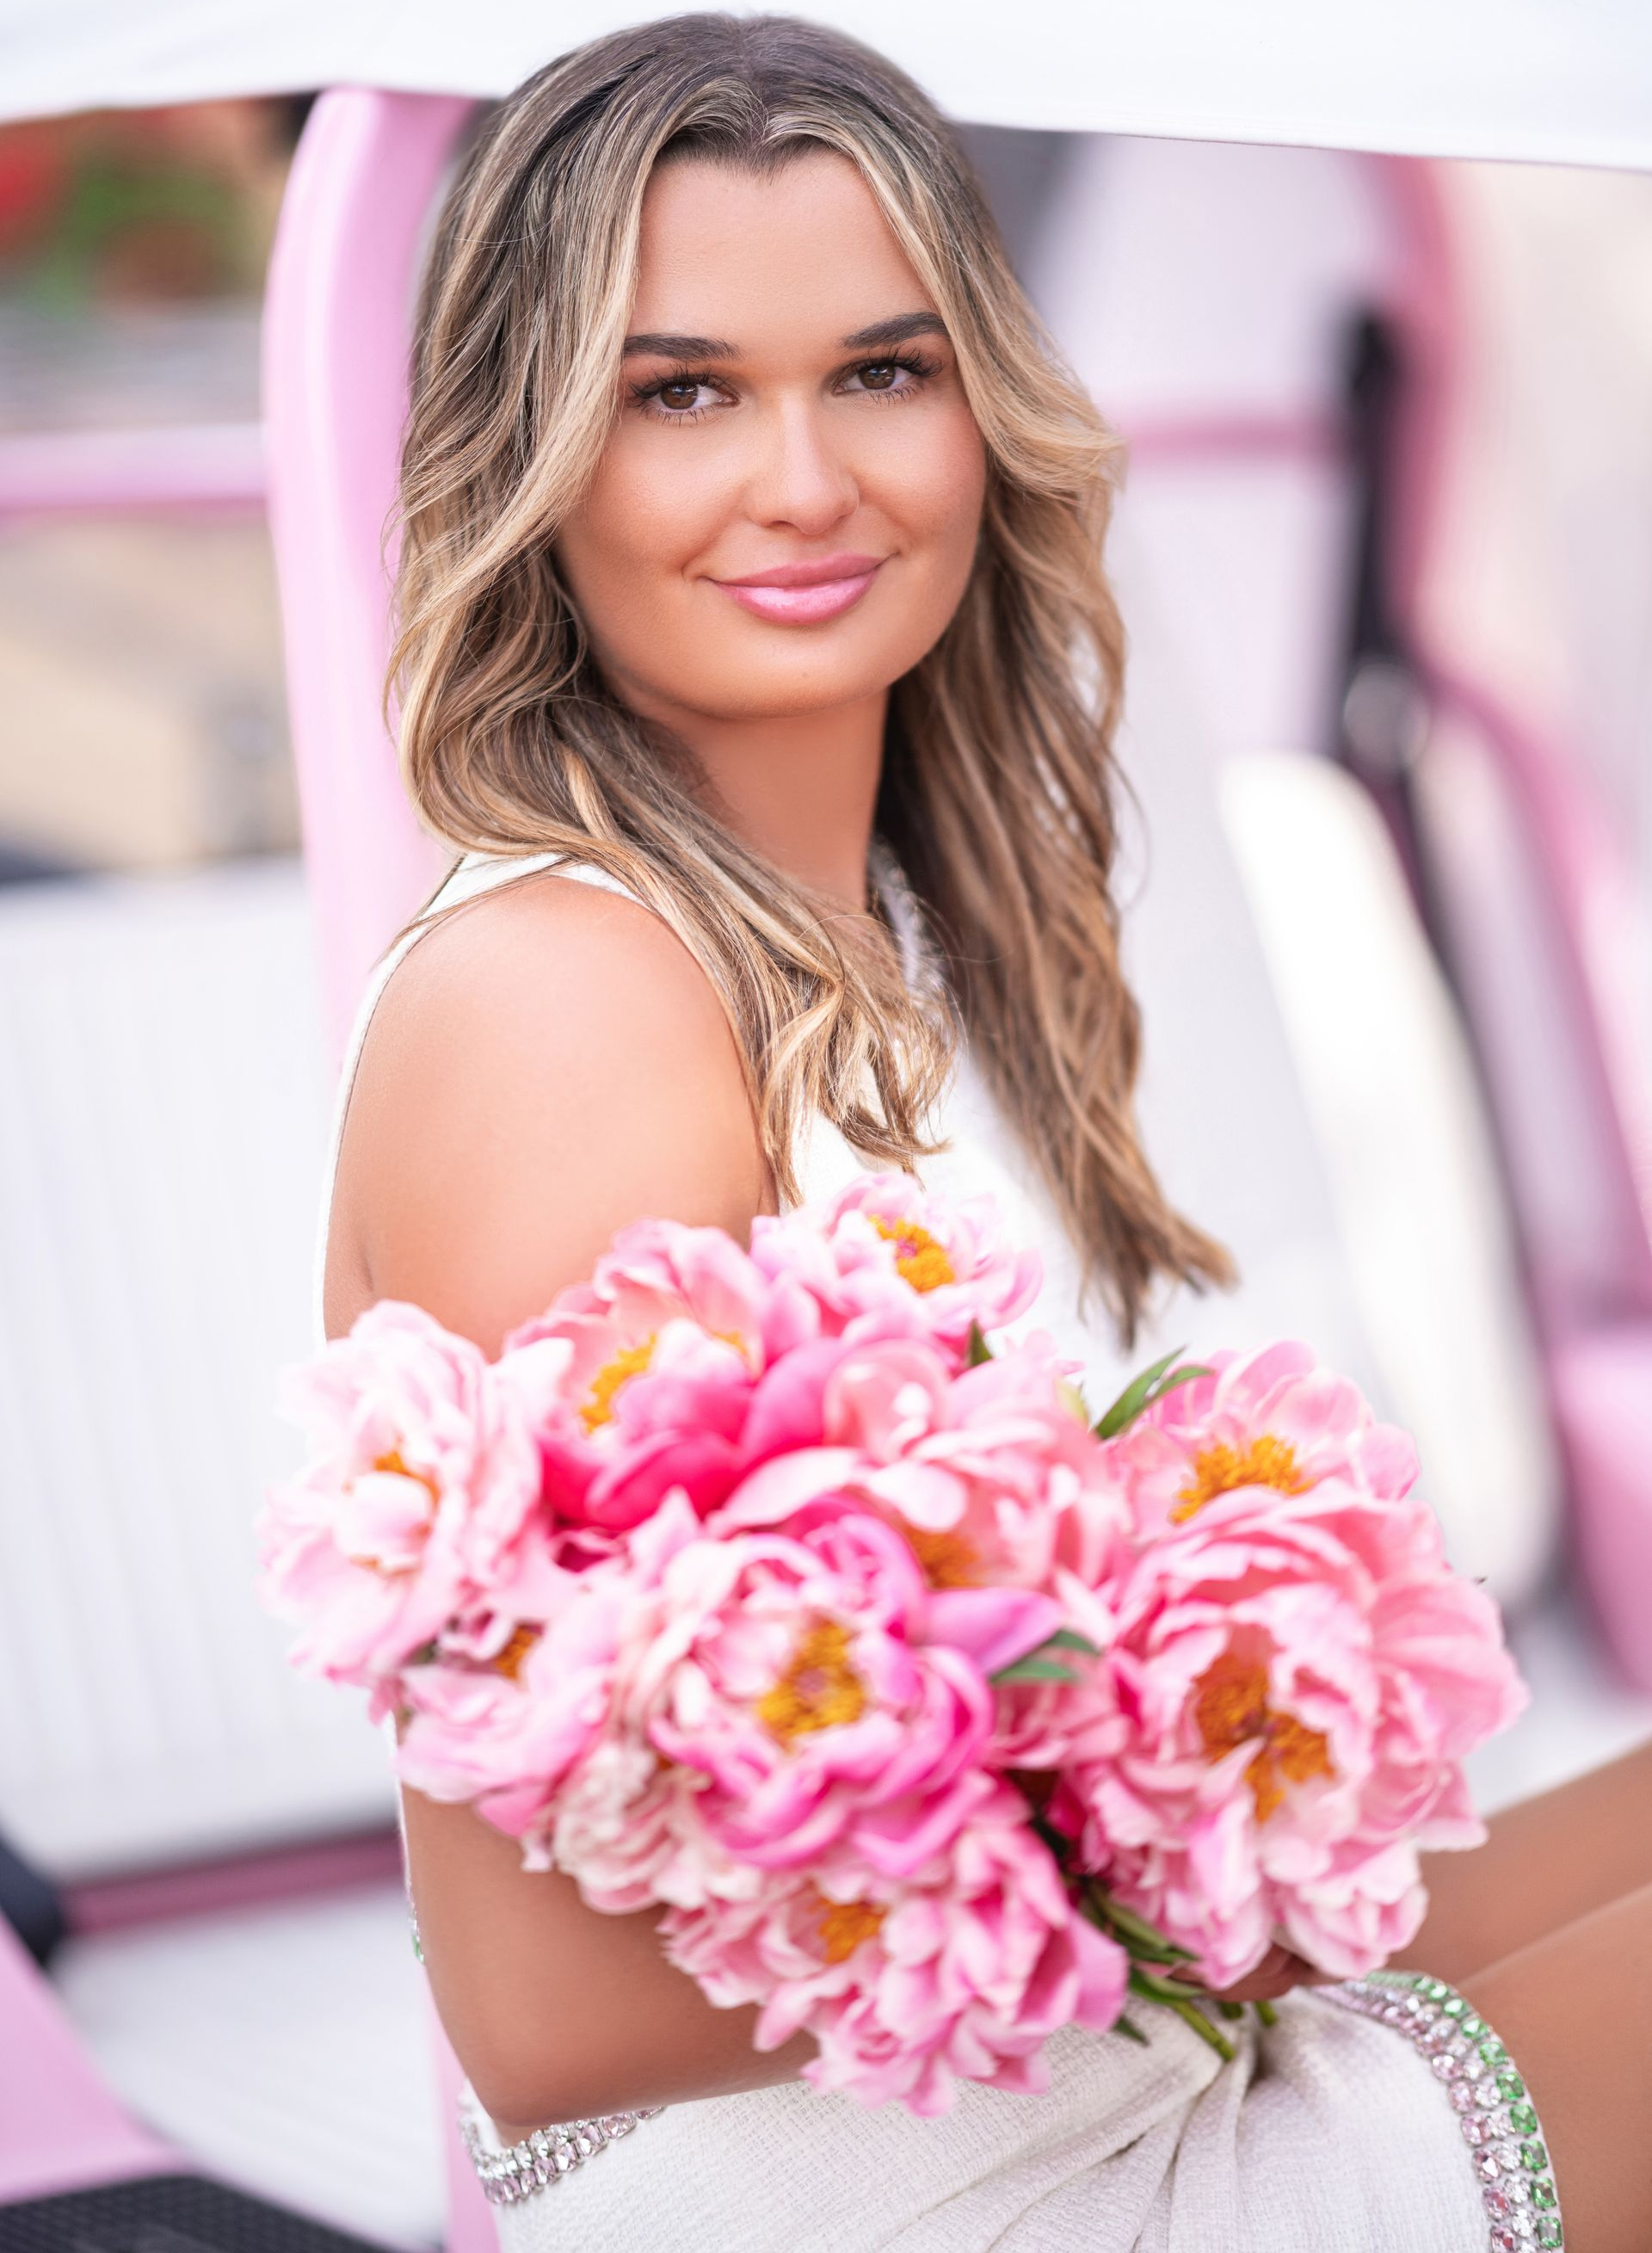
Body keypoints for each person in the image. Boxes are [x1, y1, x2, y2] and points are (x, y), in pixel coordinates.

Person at [315, 16, 1652, 2249]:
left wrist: (1245, 1781)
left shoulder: (876, 941)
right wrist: (1156, 1775)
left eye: (883, 368)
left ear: (987, 407)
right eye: (680, 391)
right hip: (863, 2195)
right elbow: (553, 2025)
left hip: (1063, 2079)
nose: (808, 480)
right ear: (529, 457)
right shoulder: (571, 998)